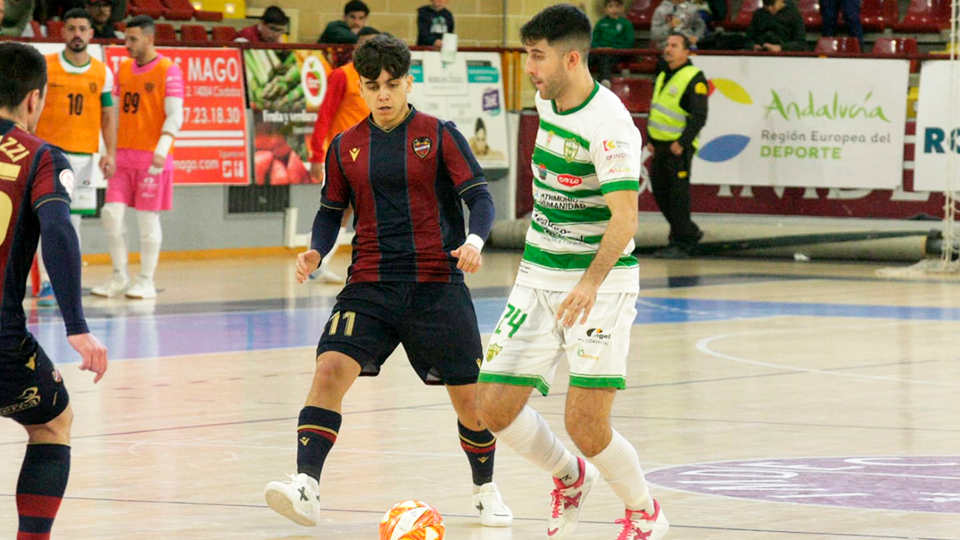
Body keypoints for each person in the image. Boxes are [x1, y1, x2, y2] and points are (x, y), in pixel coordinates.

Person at [262, 34, 512, 530]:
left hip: (437, 284)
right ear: (361, 86)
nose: (383, 95)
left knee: (472, 403)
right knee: (329, 370)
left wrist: (476, 244)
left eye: (392, 85)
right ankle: (306, 486)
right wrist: (317, 249)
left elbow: (481, 199)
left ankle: (485, 489)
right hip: (370, 283)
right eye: (373, 86)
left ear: (408, 82)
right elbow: (330, 210)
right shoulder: (345, 145)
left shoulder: (438, 134)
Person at [475, 5, 669, 540]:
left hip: (598, 286)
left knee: (585, 423)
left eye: (537, 57)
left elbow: (626, 219)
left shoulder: (609, 126)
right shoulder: (546, 96)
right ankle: (570, 476)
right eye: (527, 55)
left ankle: (645, 510)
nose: (529, 68)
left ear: (572, 57)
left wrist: (589, 282)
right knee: (490, 406)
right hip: (538, 274)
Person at [0, 41, 108, 540]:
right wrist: (77, 328)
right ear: (33, 99)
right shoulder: (41, 155)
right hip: (0, 338)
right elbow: (59, 233)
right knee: (52, 424)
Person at [91, 15, 184, 299]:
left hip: (152, 159)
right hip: (122, 156)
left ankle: (145, 280)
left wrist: (162, 147)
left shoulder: (169, 70)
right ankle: (119, 275)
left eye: (133, 39)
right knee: (110, 215)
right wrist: (108, 150)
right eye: (125, 38)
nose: (126, 44)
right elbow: (114, 114)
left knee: (146, 220)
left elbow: (175, 114)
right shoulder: (123, 69)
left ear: (149, 39)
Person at [33, 8, 117, 308]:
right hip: (49, 156)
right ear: (63, 32)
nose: (77, 34)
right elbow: (32, 106)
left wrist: (110, 152)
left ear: (91, 34)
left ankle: (66, 283)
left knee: (74, 224)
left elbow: (108, 115)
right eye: (72, 29)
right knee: (48, 222)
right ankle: (45, 284)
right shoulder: (46, 66)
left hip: (83, 157)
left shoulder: (103, 71)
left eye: (83, 28)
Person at [307, 25, 379, 283]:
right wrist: (317, 155)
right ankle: (315, 259)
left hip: (368, 157)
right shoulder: (342, 75)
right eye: (365, 44)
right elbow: (324, 116)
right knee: (336, 209)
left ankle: (318, 260)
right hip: (340, 156)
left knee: (352, 212)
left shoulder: (377, 82)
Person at [646, 33, 707, 258]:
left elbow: (699, 116)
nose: (668, 49)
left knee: (678, 196)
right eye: (667, 44)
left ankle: (681, 242)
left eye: (674, 45)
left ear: (686, 51)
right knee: (661, 192)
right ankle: (688, 232)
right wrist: (651, 140)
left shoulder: (694, 78)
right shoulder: (664, 74)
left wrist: (682, 142)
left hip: (677, 148)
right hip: (660, 146)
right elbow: (656, 109)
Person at [590, 0, 635, 87]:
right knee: (586, 57)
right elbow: (593, 39)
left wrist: (613, 48)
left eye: (617, 6)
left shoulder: (626, 24)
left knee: (605, 57)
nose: (614, 9)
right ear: (605, 10)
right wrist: (597, 48)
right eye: (611, 6)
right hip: (599, 51)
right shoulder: (601, 23)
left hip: (617, 53)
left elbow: (629, 43)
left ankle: (605, 81)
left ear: (622, 8)